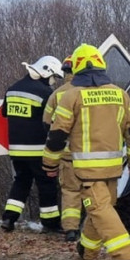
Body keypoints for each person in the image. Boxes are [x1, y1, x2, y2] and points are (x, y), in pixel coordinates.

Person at [43, 43, 130, 260]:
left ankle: (122, 255)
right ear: (101, 65)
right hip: (113, 168)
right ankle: (87, 250)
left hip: (87, 171)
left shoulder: (71, 96)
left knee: (99, 209)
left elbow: (56, 136)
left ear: (76, 68)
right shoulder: (120, 94)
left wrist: (49, 164)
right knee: (101, 207)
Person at [0, 55, 64, 233]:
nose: (53, 81)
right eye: (53, 77)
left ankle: (8, 218)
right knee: (47, 184)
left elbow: (5, 113)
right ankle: (50, 224)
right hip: (37, 149)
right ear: (46, 71)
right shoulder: (45, 93)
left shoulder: (12, 89)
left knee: (21, 182)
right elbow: (52, 120)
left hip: (16, 150)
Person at [43, 60, 84, 242]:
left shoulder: (57, 94)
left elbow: (46, 123)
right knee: (95, 193)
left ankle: (70, 230)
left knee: (70, 192)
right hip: (92, 153)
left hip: (67, 153)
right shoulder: (92, 91)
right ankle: (96, 229)